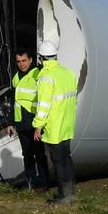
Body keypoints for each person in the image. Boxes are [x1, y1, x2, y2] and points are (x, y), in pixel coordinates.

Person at [32, 39, 79, 205]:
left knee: (58, 161)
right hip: (67, 125)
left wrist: (38, 126)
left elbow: (43, 105)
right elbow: (73, 100)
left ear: (41, 58)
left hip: (55, 127)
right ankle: (70, 192)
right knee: (66, 158)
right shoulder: (67, 73)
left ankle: (64, 196)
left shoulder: (45, 77)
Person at [4, 49, 48, 191]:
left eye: (24, 61)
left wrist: (40, 124)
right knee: (27, 155)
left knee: (39, 155)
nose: (21, 64)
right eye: (18, 61)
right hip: (21, 123)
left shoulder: (38, 74)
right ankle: (31, 183)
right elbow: (13, 102)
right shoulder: (16, 77)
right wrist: (10, 123)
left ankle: (43, 184)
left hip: (35, 122)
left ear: (30, 60)